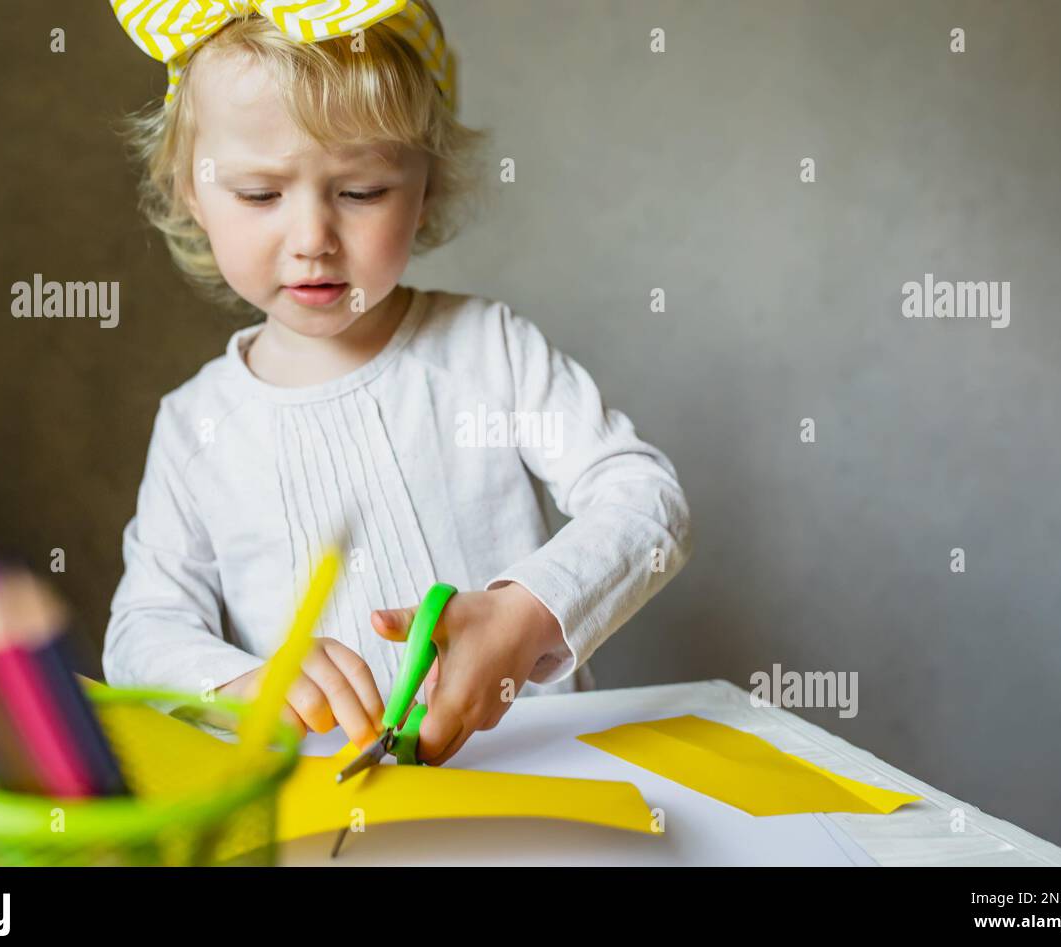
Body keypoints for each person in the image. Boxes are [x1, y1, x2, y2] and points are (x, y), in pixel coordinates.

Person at [102, 0, 692, 765]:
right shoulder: (196, 423)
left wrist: (528, 614)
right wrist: (241, 682)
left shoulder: (489, 351)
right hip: (323, 805)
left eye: (362, 192)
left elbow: (647, 501)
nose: (312, 239)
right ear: (190, 191)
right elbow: (142, 630)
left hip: (535, 774)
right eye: (259, 194)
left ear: (426, 188)